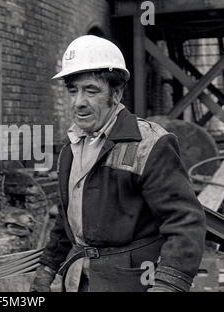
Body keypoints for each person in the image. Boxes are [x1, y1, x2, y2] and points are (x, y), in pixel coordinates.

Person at [31, 35, 206, 292]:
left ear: (116, 93)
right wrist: (47, 268)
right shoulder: (71, 148)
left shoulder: (149, 144)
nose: (78, 102)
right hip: (80, 278)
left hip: (131, 281)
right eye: (72, 90)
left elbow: (185, 222)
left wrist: (168, 285)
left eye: (91, 90)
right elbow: (68, 217)